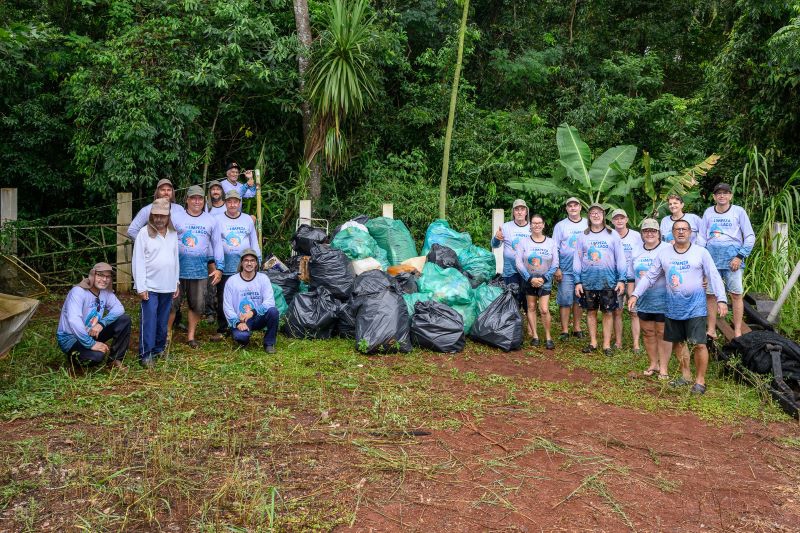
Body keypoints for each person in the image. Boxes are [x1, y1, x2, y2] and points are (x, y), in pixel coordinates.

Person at [629, 219, 728, 394]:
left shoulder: (701, 252)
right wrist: (636, 294)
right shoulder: (664, 254)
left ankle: (700, 381)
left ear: (690, 232)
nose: (681, 232)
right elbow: (650, 276)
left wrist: (721, 299)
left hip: (695, 307)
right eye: (677, 229)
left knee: (699, 344)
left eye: (684, 229)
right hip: (673, 307)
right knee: (677, 343)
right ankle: (685, 375)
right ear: (672, 233)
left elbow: (713, 275)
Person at [697, 182, 755, 339]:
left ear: (730, 196)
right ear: (714, 197)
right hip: (712, 259)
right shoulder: (709, 212)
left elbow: (749, 236)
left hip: (733, 261)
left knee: (736, 294)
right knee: (710, 294)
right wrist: (701, 258)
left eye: (725, 193)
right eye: (718, 193)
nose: (722, 196)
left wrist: (740, 256)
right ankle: (711, 329)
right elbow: (702, 236)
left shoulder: (738, 212)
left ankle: (737, 331)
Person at [172, 185, 224, 348]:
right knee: (172, 305)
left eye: (200, 198)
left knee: (197, 305)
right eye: (193, 198)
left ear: (204, 200)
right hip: (176, 270)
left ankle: (191, 337)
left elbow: (217, 245)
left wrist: (219, 267)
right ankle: (166, 336)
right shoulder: (177, 218)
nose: (196, 201)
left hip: (200, 271)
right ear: (187, 200)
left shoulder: (210, 220)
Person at [573, 203, 626, 356]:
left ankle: (607, 345)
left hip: (608, 281)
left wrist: (621, 279)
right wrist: (577, 281)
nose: (596, 215)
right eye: (592, 213)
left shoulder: (612, 234)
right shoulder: (583, 236)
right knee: (591, 311)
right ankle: (593, 342)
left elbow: (620, 258)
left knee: (608, 312)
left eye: (598, 212)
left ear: (603, 215)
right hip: (588, 280)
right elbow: (577, 259)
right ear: (589, 216)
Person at [132, 198, 180, 368]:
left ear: (168, 217)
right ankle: (145, 354)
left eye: (163, 216)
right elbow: (137, 261)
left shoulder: (173, 234)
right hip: (150, 287)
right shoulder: (144, 233)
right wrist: (141, 286)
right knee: (149, 320)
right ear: (151, 216)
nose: (159, 219)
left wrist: (176, 282)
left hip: (167, 285)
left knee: (163, 320)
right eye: (156, 215)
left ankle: (159, 349)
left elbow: (175, 259)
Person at [56, 263, 131, 369]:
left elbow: (119, 309)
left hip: (91, 332)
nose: (104, 279)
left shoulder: (105, 292)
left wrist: (102, 323)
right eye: (100, 275)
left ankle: (114, 360)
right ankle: (74, 358)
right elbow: (74, 320)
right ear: (92, 275)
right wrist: (91, 344)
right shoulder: (78, 292)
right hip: (71, 338)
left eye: (108, 276)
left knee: (124, 320)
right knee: (96, 357)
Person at [212, 189, 261, 341]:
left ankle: (245, 322)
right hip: (226, 265)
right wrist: (218, 265)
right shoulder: (218, 219)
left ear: (240, 203)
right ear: (225, 203)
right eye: (229, 202)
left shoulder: (247, 219)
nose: (232, 204)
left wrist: (257, 259)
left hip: (245, 265)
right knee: (223, 297)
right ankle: (223, 327)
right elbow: (216, 243)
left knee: (243, 295)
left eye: (235, 202)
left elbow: (254, 240)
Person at [631, 219, 672, 378]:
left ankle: (664, 367)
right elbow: (630, 275)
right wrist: (632, 295)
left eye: (653, 231)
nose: (650, 234)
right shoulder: (636, 250)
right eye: (646, 231)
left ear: (659, 233)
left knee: (662, 332)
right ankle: (653, 363)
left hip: (663, 299)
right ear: (642, 234)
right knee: (648, 332)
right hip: (643, 299)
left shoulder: (667, 248)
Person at [515, 214, 559, 349]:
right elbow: (519, 262)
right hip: (528, 279)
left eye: (539, 223)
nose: (537, 225)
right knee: (531, 307)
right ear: (530, 225)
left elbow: (555, 263)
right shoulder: (524, 242)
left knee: (544, 309)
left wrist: (544, 278)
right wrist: (530, 278)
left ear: (544, 225)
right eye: (534, 223)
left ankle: (548, 337)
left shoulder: (551, 242)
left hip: (544, 280)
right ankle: (535, 336)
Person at [223, 248, 279, 353]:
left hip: (257, 317)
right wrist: (238, 322)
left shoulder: (263, 279)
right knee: (242, 337)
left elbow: (269, 302)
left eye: (252, 260)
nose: (249, 263)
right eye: (246, 260)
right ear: (241, 263)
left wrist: (252, 312)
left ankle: (269, 343)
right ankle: (240, 335)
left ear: (256, 264)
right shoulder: (232, 281)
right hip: (240, 319)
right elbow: (227, 307)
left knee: (273, 311)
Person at [552, 197, 588, 340]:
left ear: (580, 208)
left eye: (575, 205)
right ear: (566, 209)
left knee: (579, 299)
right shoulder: (560, 226)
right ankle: (565, 330)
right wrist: (557, 268)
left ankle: (577, 328)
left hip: (584, 269)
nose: (573, 208)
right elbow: (555, 248)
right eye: (570, 206)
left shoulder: (587, 224)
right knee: (565, 299)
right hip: (566, 269)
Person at [610, 208, 643, 353]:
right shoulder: (609, 235)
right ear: (612, 221)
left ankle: (636, 344)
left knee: (633, 311)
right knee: (617, 311)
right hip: (615, 278)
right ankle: (618, 342)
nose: (619, 221)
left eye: (621, 218)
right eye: (616, 218)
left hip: (632, 278)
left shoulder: (636, 236)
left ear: (626, 220)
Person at [491, 199, 532, 308]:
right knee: (512, 302)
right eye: (516, 209)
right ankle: (514, 324)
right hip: (510, 271)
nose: (519, 212)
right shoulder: (506, 227)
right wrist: (496, 238)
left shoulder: (532, 228)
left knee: (528, 303)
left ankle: (528, 324)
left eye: (522, 209)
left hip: (528, 271)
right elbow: (495, 245)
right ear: (513, 212)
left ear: (526, 212)